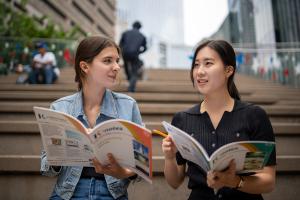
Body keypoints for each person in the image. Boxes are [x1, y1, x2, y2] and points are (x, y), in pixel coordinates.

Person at [162, 40, 276, 200]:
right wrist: (169, 157)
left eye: (208, 63)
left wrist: (235, 181)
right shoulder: (182, 119)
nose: (199, 71)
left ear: (228, 70)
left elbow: (268, 181)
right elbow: (174, 182)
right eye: (196, 65)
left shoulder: (254, 116)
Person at [41, 36, 142, 200]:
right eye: (107, 61)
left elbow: (140, 165)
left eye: (117, 61)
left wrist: (123, 172)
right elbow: (46, 168)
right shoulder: (60, 108)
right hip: (69, 192)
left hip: (112, 192)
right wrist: (62, 149)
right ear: (85, 66)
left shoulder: (128, 105)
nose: (116, 67)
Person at [119, 21, 147, 92]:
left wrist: (121, 52)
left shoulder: (125, 33)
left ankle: (129, 79)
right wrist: (139, 52)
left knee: (126, 66)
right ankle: (131, 88)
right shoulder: (142, 36)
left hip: (125, 53)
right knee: (134, 72)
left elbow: (120, 44)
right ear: (140, 27)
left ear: (132, 25)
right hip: (135, 54)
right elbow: (145, 48)